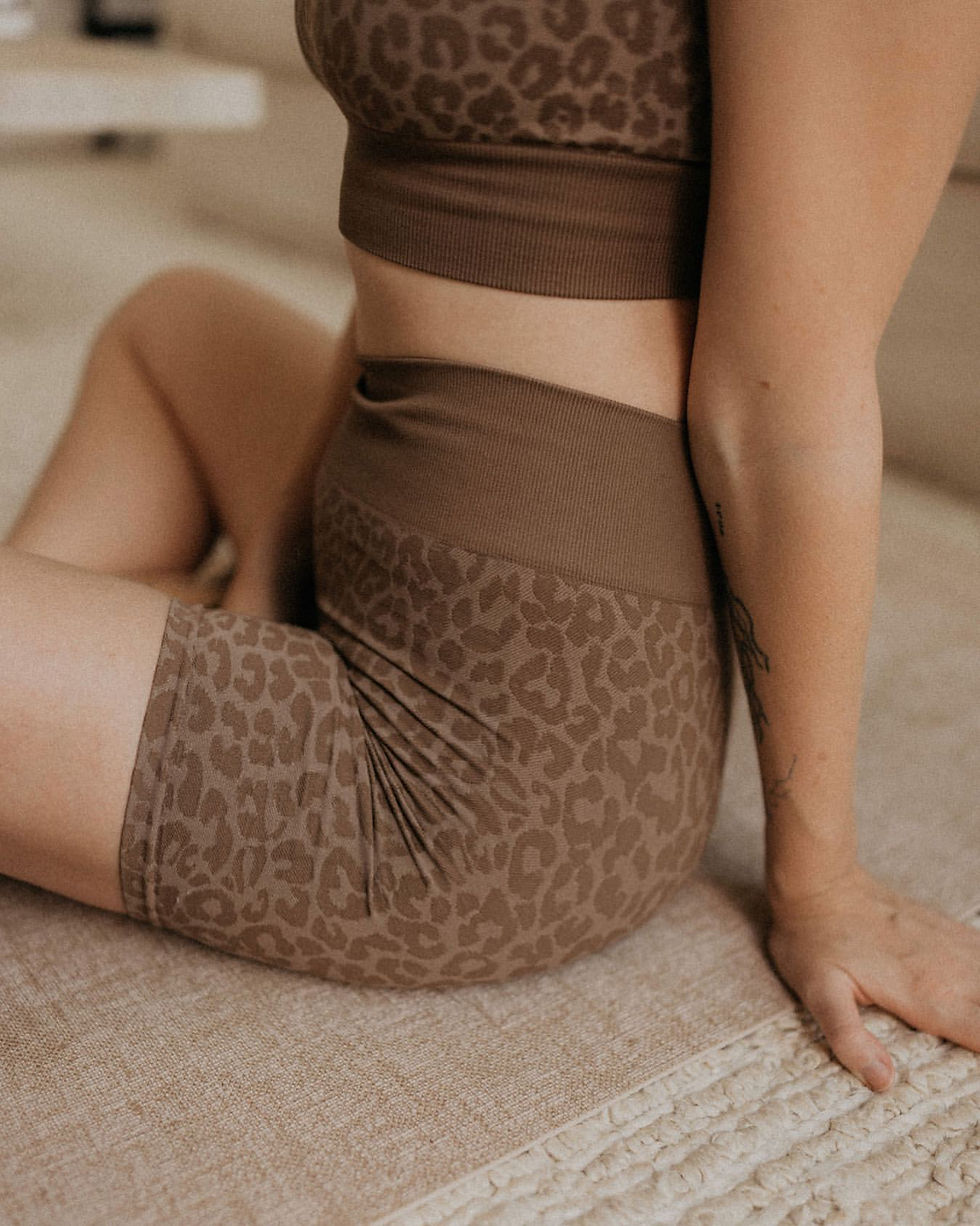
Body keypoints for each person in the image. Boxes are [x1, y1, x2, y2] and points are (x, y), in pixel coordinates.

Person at [2, 1, 978, 1094]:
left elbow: (782, 415)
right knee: (174, 318)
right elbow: (421, 229)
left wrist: (822, 882)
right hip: (373, 520)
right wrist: (269, 582)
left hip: (493, 761)